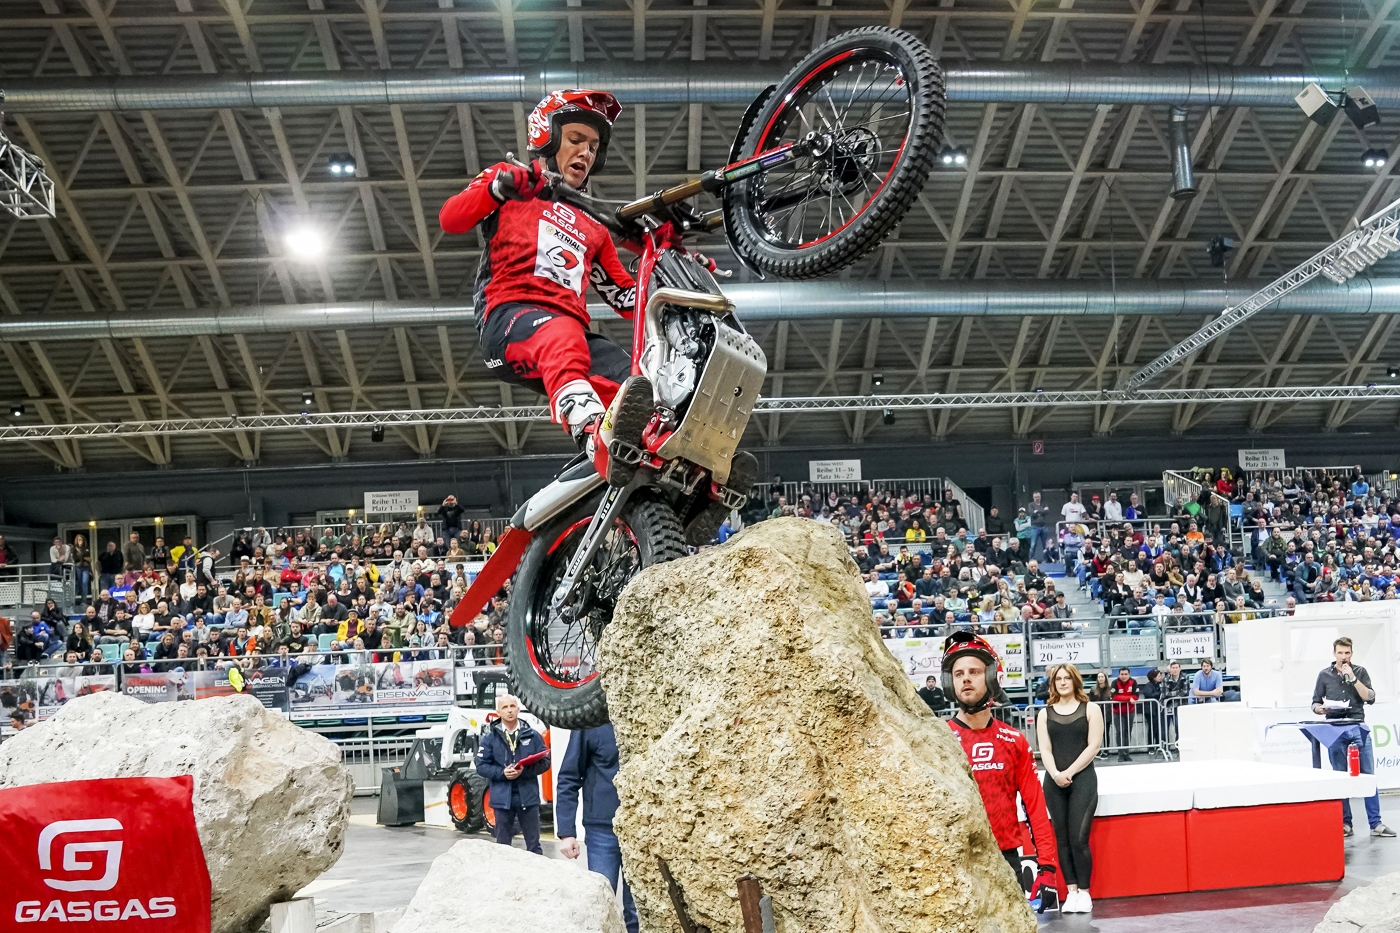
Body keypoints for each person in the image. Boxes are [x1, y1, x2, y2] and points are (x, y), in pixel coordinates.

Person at [438, 88, 654, 486]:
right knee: (562, 334)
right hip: (507, 320)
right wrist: (498, 188)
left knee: (639, 382)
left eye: (593, 146)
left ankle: (656, 464)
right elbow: (450, 218)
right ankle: (588, 432)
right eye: (575, 140)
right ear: (548, 137)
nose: (586, 154)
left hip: (571, 334)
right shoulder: (512, 185)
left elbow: (625, 299)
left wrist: (660, 279)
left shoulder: (594, 224)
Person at [942, 632, 1062, 909]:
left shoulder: (1013, 740)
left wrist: (1047, 868)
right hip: (955, 862)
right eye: (958, 674)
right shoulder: (939, 738)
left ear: (992, 677)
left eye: (974, 671)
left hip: (1005, 860)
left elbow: (1036, 808)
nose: (966, 679)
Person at [556, 724, 639, 933]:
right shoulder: (590, 723)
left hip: (642, 830)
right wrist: (567, 832)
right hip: (603, 830)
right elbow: (569, 776)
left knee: (639, 909)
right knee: (602, 904)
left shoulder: (644, 713)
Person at [1036, 663, 1103, 914]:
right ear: (1053, 684)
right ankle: (1071, 892)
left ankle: (1085, 893)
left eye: (1067, 678)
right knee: (1062, 840)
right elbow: (1045, 749)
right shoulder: (1045, 713)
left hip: (1082, 779)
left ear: (1075, 681)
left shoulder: (1091, 709)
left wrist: (1069, 773)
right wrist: (1055, 774)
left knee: (1078, 838)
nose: (1062, 682)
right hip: (1054, 782)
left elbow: (1093, 747)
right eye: (1058, 679)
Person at [1313, 636, 1394, 837]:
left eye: (1347, 653)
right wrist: (1319, 709)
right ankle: (1345, 823)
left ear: (1352, 653)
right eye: (1340, 653)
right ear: (1334, 653)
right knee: (1339, 776)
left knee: (1368, 775)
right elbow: (1314, 703)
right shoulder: (1324, 675)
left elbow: (1370, 697)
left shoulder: (1359, 672)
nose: (1343, 657)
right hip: (1334, 727)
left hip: (1358, 726)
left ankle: (1375, 824)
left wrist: (1353, 679)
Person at [475, 694, 550, 854]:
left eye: (512, 706)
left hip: (528, 798)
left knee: (534, 846)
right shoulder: (490, 738)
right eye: (505, 707)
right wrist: (502, 773)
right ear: (498, 712)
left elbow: (545, 762)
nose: (509, 710)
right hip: (502, 801)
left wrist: (525, 771)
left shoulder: (533, 735)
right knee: (503, 848)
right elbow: (481, 766)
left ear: (518, 709)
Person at [1109, 667, 1139, 761]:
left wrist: (1128, 698)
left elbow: (1136, 696)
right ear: (1119, 675)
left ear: (1129, 675)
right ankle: (1120, 755)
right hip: (1118, 712)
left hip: (1130, 711)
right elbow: (1114, 697)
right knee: (1120, 732)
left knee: (1127, 732)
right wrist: (1128, 699)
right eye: (1122, 674)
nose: (1124, 676)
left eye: (1126, 674)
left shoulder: (1133, 682)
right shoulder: (1114, 683)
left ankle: (1127, 753)